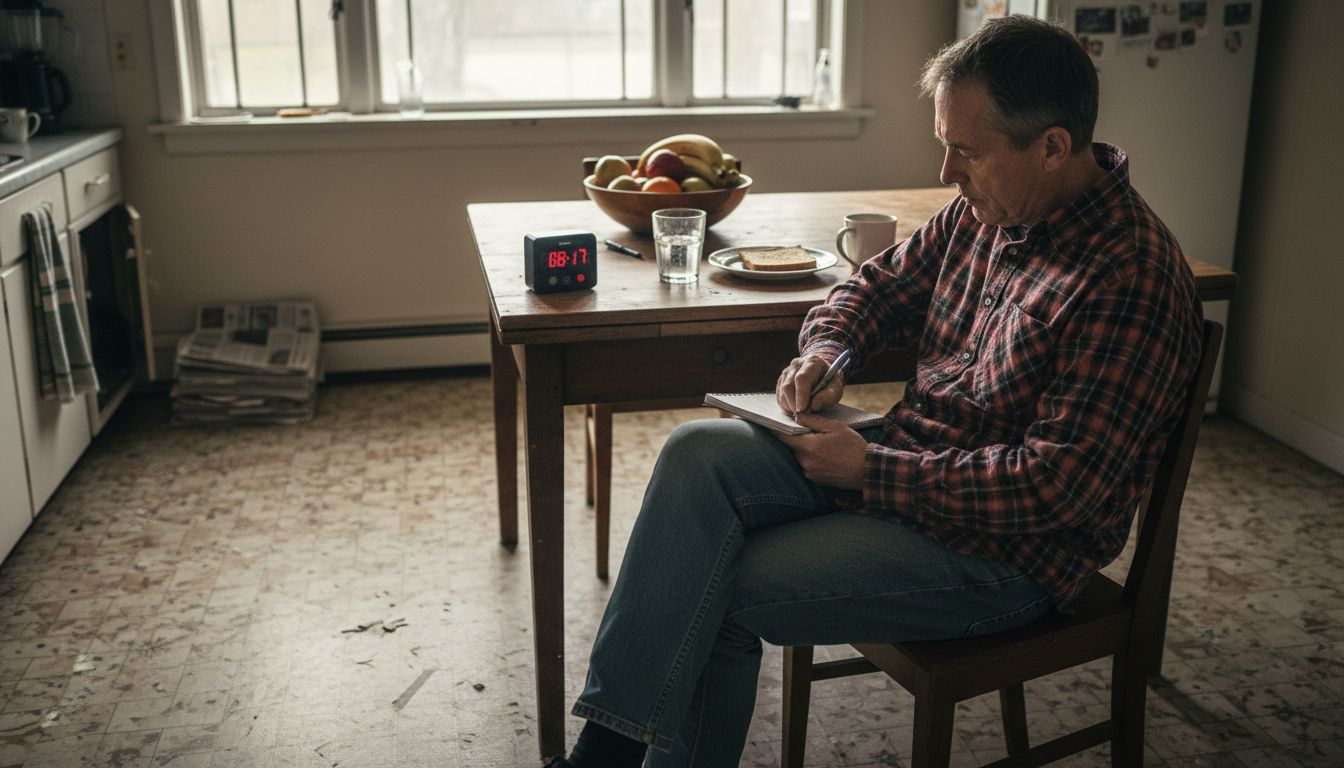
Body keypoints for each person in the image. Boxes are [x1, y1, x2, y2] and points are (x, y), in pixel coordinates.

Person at [548, 14, 1202, 768]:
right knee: (697, 451)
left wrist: (870, 470)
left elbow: (1058, 490)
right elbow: (871, 290)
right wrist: (830, 351)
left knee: (713, 585)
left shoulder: (1131, 278)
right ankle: (601, 755)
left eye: (965, 151)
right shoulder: (987, 210)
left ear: (1052, 146)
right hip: (913, 467)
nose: (946, 173)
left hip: (1009, 556)